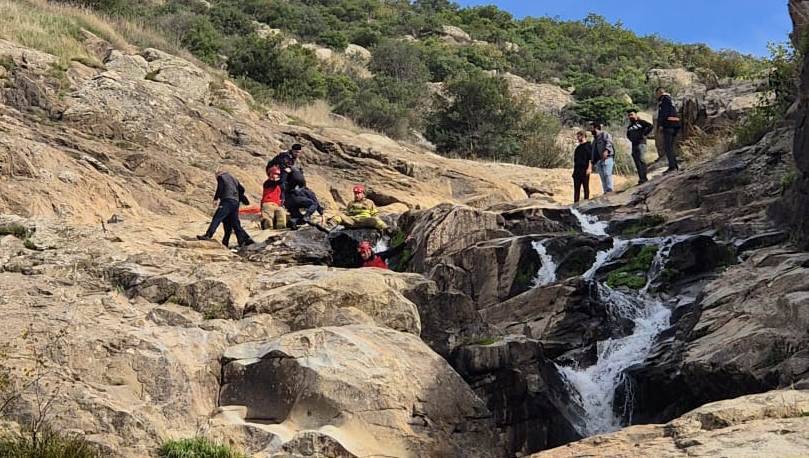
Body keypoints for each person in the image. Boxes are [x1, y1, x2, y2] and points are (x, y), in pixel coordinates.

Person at [197, 170, 255, 247]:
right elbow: (242, 189)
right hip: (235, 203)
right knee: (233, 223)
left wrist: (216, 198)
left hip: (227, 201)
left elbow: (220, 187)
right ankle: (242, 241)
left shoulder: (221, 177)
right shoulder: (234, 179)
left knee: (217, 218)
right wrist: (238, 197)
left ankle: (208, 235)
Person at [656, 87, 681, 173]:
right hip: (675, 125)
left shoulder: (664, 100)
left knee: (668, 147)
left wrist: (661, 125)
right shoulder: (671, 99)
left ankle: (672, 166)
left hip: (668, 125)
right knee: (670, 146)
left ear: (659, 92)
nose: (657, 96)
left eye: (657, 94)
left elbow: (664, 113)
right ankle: (674, 165)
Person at [626, 110, 654, 184]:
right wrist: (631, 139)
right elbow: (628, 134)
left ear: (636, 115)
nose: (630, 116)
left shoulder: (641, 122)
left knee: (641, 159)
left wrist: (644, 134)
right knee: (637, 161)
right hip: (634, 144)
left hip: (641, 143)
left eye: (631, 114)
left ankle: (644, 177)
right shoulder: (630, 126)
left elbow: (650, 126)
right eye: (629, 115)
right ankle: (641, 178)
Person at [589, 122, 615, 194]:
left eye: (591, 128)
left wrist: (606, 150)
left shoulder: (604, 134)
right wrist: (593, 162)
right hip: (599, 161)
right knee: (602, 177)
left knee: (607, 174)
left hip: (607, 158)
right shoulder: (594, 140)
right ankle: (605, 192)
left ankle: (610, 191)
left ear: (596, 128)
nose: (590, 130)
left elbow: (609, 142)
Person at [260, 166, 287, 230]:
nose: (277, 176)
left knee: (281, 221)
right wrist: (285, 172)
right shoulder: (268, 182)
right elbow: (280, 181)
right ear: (270, 174)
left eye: (278, 174)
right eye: (275, 174)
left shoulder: (277, 186)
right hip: (268, 204)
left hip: (276, 205)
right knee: (268, 223)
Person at [572, 130, 592, 203]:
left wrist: (589, 168)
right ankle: (575, 204)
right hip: (577, 171)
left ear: (583, 136)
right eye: (577, 136)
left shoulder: (589, 146)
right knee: (576, 189)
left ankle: (586, 203)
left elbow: (591, 158)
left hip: (584, 169)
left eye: (579, 136)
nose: (577, 138)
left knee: (585, 187)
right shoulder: (578, 148)